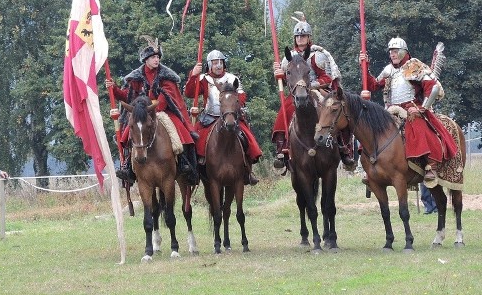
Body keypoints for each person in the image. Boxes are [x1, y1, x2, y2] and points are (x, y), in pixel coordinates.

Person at [359, 37, 457, 183]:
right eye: (390, 51)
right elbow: (373, 85)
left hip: (412, 108)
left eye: (395, 51)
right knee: (371, 128)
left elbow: (433, 87)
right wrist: (365, 66)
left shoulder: (414, 66)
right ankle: (370, 167)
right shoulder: (389, 70)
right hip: (391, 109)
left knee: (419, 126)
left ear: (404, 52)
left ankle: (431, 165)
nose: (392, 54)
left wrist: (421, 108)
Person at [105, 35, 199, 185]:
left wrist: (153, 109)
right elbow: (126, 95)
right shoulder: (136, 77)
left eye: (157, 57)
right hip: (140, 113)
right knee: (127, 133)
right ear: (146, 60)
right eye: (153, 57)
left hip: (162, 111)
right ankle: (128, 166)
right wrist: (114, 88)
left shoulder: (166, 76)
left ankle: (183, 162)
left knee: (179, 131)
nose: (156, 60)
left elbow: (166, 96)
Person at [272, 12, 355, 173]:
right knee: (284, 111)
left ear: (309, 37)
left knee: (334, 110)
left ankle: (343, 147)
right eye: (298, 36)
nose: (300, 39)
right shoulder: (288, 58)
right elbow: (286, 79)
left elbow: (327, 77)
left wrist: (312, 86)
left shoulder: (317, 54)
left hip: (318, 90)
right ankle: (282, 149)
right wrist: (278, 75)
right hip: (297, 92)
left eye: (303, 36)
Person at [184, 49, 262, 185]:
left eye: (221, 62)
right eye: (215, 63)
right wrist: (193, 76)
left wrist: (234, 103)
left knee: (246, 137)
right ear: (210, 65)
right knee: (194, 139)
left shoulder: (232, 78)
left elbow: (242, 96)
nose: (218, 65)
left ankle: (247, 169)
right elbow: (189, 93)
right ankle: (196, 169)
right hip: (209, 117)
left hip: (231, 116)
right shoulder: (203, 79)